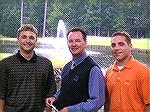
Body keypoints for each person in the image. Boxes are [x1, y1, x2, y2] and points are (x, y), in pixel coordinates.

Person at [46, 27, 105, 112]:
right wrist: (55, 97)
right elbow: (65, 89)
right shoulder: (67, 66)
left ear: (85, 43)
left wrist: (70, 110)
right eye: (70, 41)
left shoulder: (93, 69)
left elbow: (97, 102)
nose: (74, 44)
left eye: (77, 41)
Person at [0, 24, 56, 112]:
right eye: (24, 37)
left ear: (36, 40)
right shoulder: (5, 64)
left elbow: (49, 96)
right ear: (18, 39)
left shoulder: (46, 64)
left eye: (31, 37)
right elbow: (1, 95)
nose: (28, 40)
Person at [104, 31, 150, 112]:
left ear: (130, 47)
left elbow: (148, 104)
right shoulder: (108, 72)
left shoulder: (143, 72)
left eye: (121, 44)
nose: (116, 48)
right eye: (113, 45)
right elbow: (107, 103)